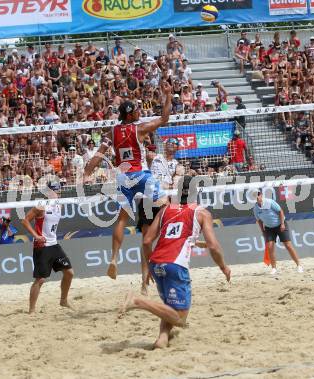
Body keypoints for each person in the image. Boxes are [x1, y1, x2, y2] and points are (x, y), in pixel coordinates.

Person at [120, 176, 231, 348]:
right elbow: (213, 246)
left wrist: (150, 266)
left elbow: (147, 240)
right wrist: (223, 267)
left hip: (156, 262)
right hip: (175, 264)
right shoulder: (202, 212)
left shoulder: (165, 210)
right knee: (180, 318)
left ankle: (162, 339)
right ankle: (137, 301)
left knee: (170, 307)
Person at [84, 81, 172, 280]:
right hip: (141, 174)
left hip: (124, 178)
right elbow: (165, 118)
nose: (140, 112)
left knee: (121, 220)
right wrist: (167, 95)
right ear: (130, 114)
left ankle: (114, 258)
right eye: (137, 111)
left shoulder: (111, 133)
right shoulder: (139, 129)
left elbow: (98, 155)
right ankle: (165, 242)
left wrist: (86, 172)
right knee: (166, 205)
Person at [21, 181, 74, 314]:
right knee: (40, 279)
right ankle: (32, 310)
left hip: (54, 244)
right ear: (49, 192)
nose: (58, 193)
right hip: (42, 246)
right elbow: (25, 220)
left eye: (59, 191)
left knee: (69, 272)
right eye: (56, 191)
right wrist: (36, 236)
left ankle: (63, 300)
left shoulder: (59, 206)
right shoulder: (41, 206)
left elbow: (51, 227)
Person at [137, 137, 180, 295]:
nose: (170, 144)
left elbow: (176, 184)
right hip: (147, 199)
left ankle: (166, 275)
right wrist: (147, 149)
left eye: (173, 143)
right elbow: (146, 161)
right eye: (168, 142)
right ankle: (144, 281)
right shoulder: (155, 157)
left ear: (177, 148)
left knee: (167, 239)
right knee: (146, 242)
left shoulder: (177, 165)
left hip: (164, 201)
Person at [253, 189, 303, 275]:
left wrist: (282, 224)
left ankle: (299, 265)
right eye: (255, 195)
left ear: (261, 194)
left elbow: (280, 211)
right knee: (270, 247)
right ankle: (274, 268)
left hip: (280, 224)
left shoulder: (270, 202)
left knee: (288, 245)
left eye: (258, 194)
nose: (257, 197)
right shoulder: (256, 208)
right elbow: (259, 221)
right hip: (269, 228)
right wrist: (263, 231)